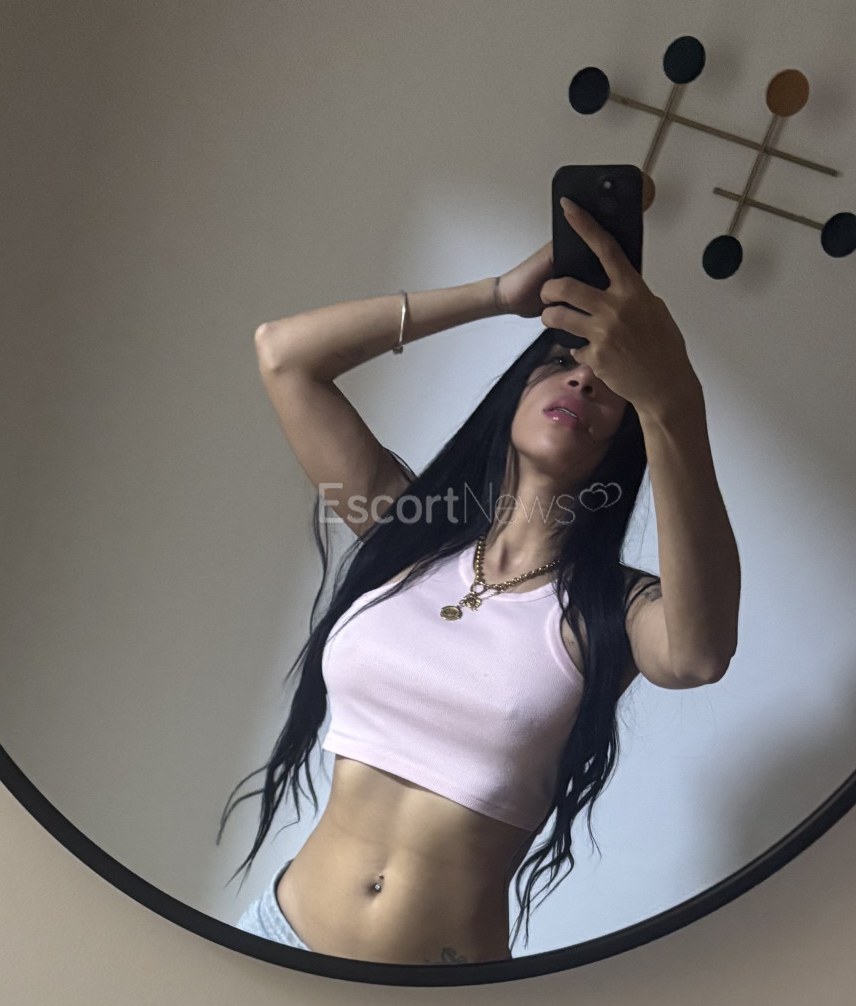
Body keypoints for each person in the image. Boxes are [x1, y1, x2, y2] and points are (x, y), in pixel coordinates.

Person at [219, 197, 741, 964]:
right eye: (561, 363)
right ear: (517, 392)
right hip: (275, 942)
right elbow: (284, 355)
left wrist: (671, 399)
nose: (583, 381)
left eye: (610, 383)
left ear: (630, 434)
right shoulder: (407, 531)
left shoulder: (612, 609)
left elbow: (698, 656)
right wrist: (498, 295)